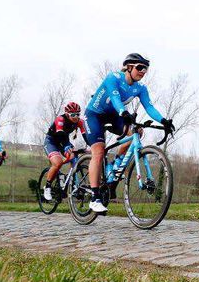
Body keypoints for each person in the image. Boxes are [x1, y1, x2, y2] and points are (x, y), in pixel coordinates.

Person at [84, 53, 175, 214]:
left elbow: (149, 107)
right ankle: (94, 198)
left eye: (145, 69)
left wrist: (164, 121)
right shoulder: (114, 78)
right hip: (95, 115)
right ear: (129, 67)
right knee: (98, 151)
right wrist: (123, 112)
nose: (143, 72)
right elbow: (114, 97)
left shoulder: (140, 88)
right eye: (140, 68)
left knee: (136, 132)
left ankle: (115, 165)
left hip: (115, 115)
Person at [41, 102, 88, 201]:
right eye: (73, 115)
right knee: (57, 163)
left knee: (73, 158)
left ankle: (71, 183)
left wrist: (92, 146)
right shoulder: (60, 119)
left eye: (78, 114)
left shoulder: (79, 122)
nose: (76, 117)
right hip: (52, 141)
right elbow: (60, 134)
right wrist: (67, 145)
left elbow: (86, 135)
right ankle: (48, 187)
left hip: (64, 141)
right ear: (67, 114)